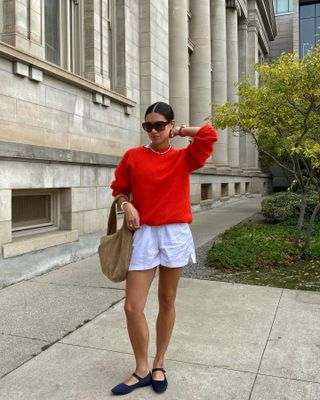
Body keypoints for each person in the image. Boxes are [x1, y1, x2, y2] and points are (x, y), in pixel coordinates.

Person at [109, 101, 217, 395]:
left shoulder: (184, 158)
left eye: (160, 125)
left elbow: (208, 135)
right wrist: (127, 204)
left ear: (170, 125)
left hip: (174, 234)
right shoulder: (133, 156)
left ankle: (158, 363)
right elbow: (118, 188)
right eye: (148, 126)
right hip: (143, 235)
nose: (153, 131)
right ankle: (141, 369)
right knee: (133, 307)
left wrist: (179, 131)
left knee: (167, 301)